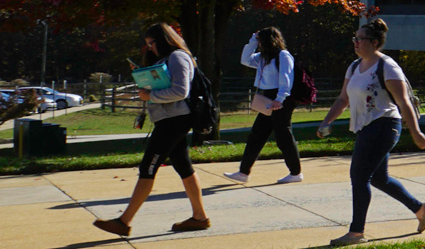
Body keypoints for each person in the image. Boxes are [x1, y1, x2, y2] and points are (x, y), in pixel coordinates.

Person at [317, 19, 425, 246]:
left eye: (361, 39)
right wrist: (326, 121)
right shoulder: (354, 67)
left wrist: (416, 133)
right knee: (379, 178)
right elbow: (343, 98)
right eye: (355, 38)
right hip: (366, 127)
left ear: (375, 42)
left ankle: (356, 233)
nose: (356, 42)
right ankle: (419, 209)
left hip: (384, 125)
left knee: (359, 176)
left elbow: (404, 101)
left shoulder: (387, 66)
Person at [93, 24, 210, 237]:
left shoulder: (178, 57)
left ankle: (124, 221)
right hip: (169, 119)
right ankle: (200, 217)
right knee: (184, 167)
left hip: (175, 120)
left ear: (163, 40)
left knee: (148, 167)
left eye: (151, 43)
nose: (149, 48)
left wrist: (150, 96)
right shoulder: (166, 59)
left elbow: (180, 91)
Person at [224, 27, 303, 184]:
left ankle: (296, 173)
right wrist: (252, 40)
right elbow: (245, 60)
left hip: (281, 99)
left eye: (260, 40)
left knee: (283, 136)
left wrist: (279, 99)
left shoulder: (283, 55)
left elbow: (286, 79)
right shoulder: (262, 57)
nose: (259, 44)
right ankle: (243, 172)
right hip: (267, 98)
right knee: (257, 135)